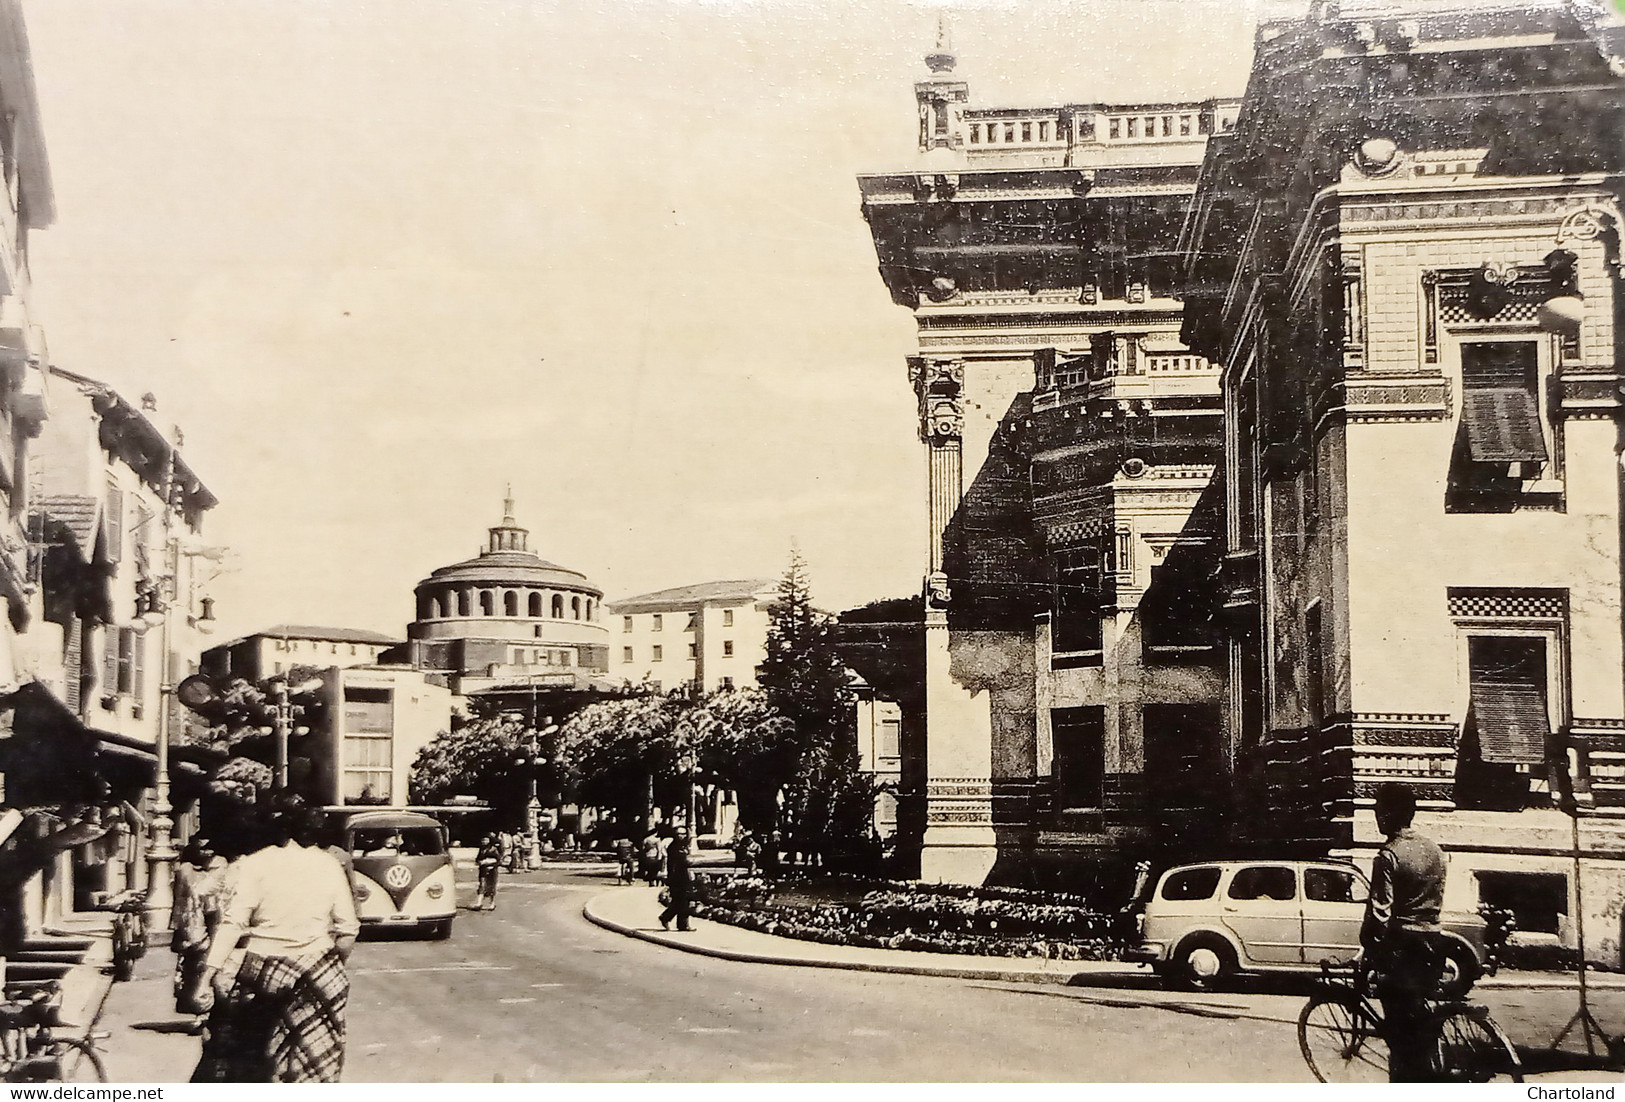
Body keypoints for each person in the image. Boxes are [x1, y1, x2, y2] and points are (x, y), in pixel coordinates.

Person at [188, 802, 360, 1083]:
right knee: (315, 1063)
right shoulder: (329, 864)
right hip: (320, 973)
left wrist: (206, 977)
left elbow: (233, 923)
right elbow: (348, 931)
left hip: (264, 972)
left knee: (251, 1060)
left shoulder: (255, 864)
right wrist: (324, 965)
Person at [1360, 782, 1448, 1082]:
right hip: (1433, 942)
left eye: (1378, 810)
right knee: (1419, 1020)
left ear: (1388, 815)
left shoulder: (1388, 856)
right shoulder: (1435, 850)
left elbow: (1380, 912)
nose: (1376, 816)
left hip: (1403, 946)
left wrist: (1368, 943)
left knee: (1398, 1033)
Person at [172, 837, 227, 1018]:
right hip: (194, 919)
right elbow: (183, 899)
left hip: (213, 915)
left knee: (208, 958)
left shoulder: (219, 865)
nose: (206, 853)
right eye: (202, 849)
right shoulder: (186, 870)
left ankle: (202, 1000)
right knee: (195, 958)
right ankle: (193, 1000)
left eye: (209, 849)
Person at [658, 825, 694, 933]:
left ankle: (682, 924)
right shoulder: (674, 847)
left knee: (683, 901)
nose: (681, 836)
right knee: (680, 902)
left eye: (683, 834)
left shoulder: (683, 846)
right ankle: (666, 917)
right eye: (679, 834)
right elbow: (674, 864)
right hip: (676, 878)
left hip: (684, 876)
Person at [475, 834, 502, 911]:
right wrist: (480, 862)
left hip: (492, 870)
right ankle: (479, 902)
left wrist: (489, 862)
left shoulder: (493, 849)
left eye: (486, 840)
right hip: (483, 870)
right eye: (483, 840)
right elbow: (477, 859)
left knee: (491, 886)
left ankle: (492, 903)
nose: (484, 842)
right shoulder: (481, 850)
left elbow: (498, 860)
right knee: (482, 885)